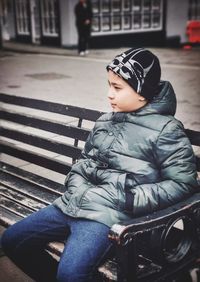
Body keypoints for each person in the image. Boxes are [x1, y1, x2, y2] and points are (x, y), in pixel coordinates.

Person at [1, 48, 198, 282]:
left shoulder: (166, 130)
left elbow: (183, 183)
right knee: (12, 241)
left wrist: (131, 199)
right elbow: (85, 160)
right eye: (109, 85)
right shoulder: (105, 120)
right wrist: (75, 184)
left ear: (142, 92)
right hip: (72, 203)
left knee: (70, 274)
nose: (109, 94)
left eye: (117, 88)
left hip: (108, 217)